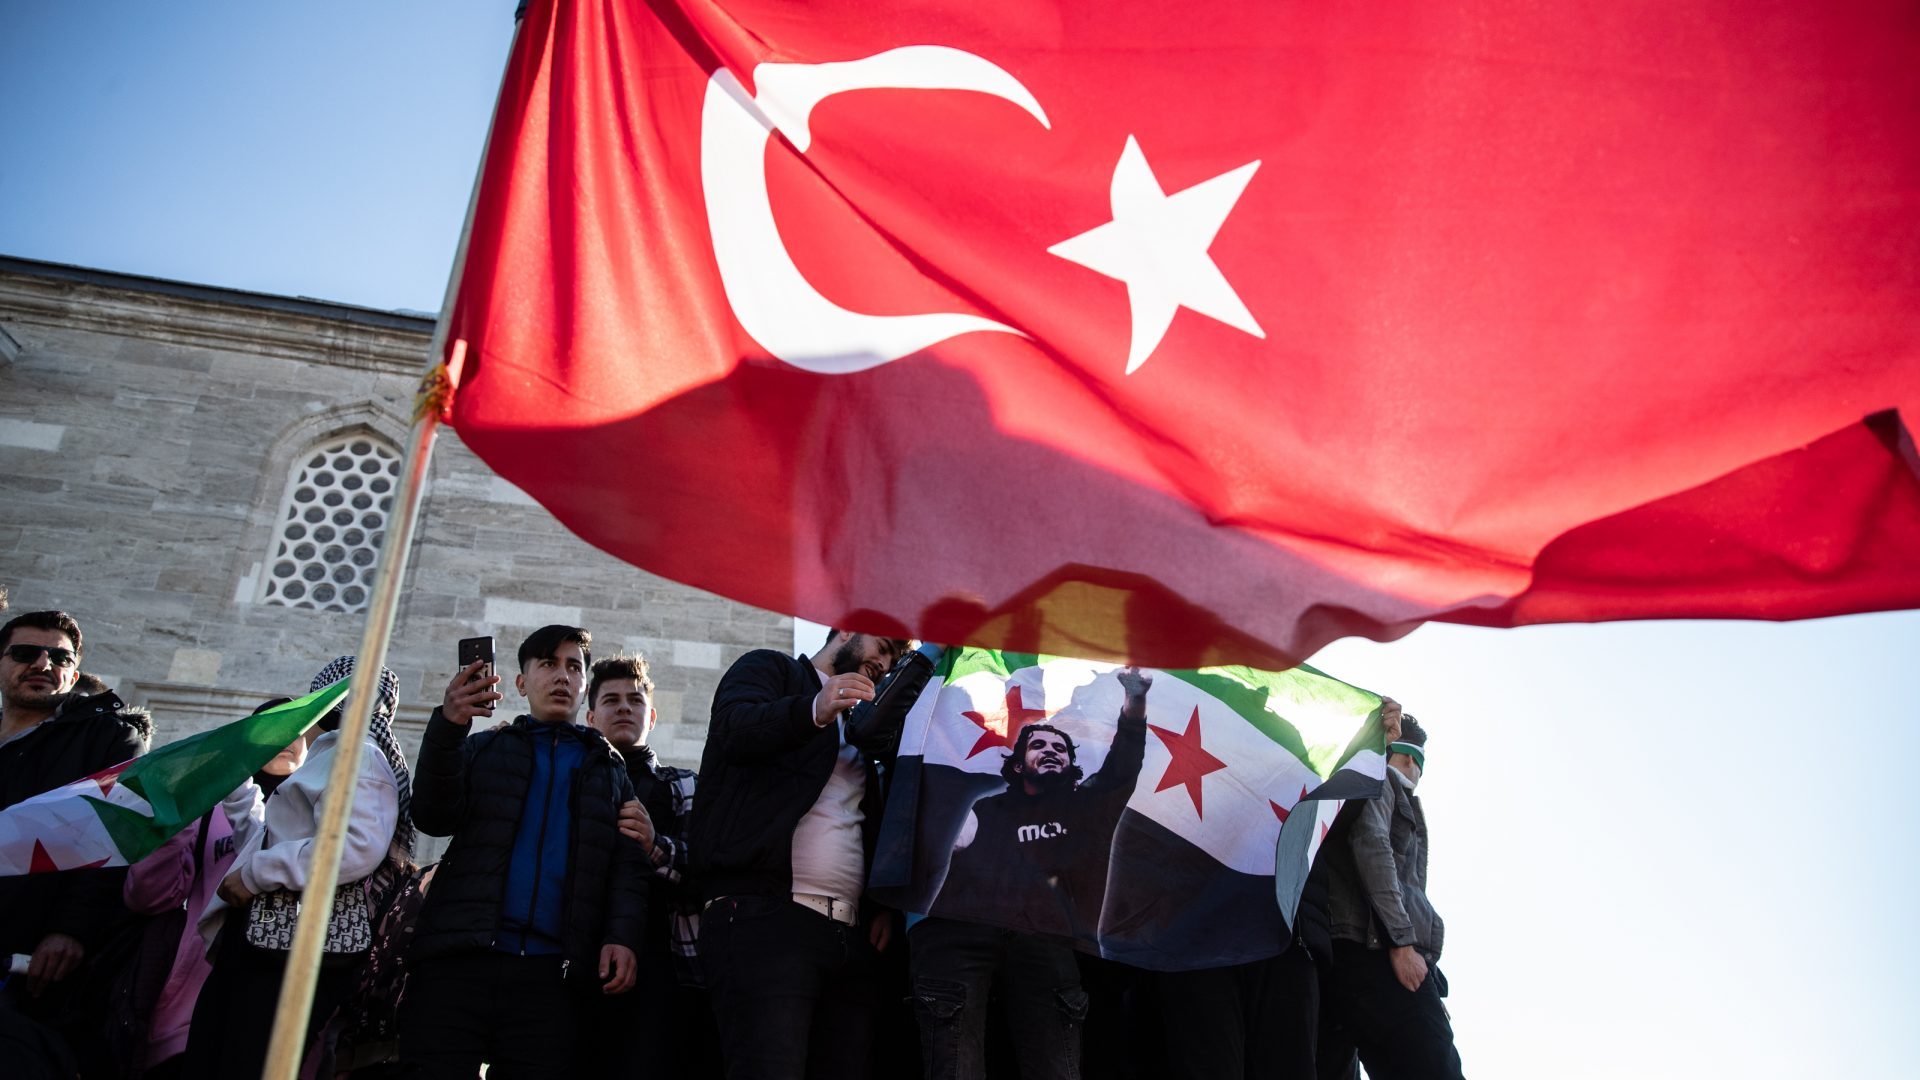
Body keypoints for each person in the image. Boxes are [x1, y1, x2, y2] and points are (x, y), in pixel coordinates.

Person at [402, 624, 647, 1080]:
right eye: (548, 664)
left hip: (552, 977)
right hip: (460, 962)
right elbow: (432, 817)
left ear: (583, 685)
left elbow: (624, 867)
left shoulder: (609, 769)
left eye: (573, 667)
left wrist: (622, 936)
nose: (561, 676)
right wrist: (448, 727)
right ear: (520, 682)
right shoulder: (483, 747)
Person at [691, 627, 907, 1080]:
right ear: (846, 628)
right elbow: (734, 729)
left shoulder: (866, 728)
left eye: (893, 660)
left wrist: (880, 906)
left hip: (850, 939)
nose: (885, 666)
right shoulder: (771, 669)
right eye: (883, 648)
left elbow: (869, 818)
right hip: (764, 921)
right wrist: (815, 709)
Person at [182, 657, 413, 1080]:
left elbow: (353, 847)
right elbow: (279, 836)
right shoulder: (325, 757)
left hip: (291, 946)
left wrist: (254, 876)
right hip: (261, 939)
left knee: (247, 1064)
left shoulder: (357, 754)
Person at [119, 700, 303, 1080]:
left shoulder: (323, 818)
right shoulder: (210, 808)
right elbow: (148, 896)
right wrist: (176, 816)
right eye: (271, 728)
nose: (288, 738)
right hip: (184, 1019)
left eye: (300, 730)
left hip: (277, 1016)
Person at [0, 610, 151, 1068]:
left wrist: (69, 929)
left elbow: (113, 840)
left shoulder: (109, 738)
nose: (43, 664)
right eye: (26, 653)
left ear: (75, 669)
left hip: (29, 956)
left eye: (59, 657)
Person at [580, 652, 719, 1079]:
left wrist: (655, 846)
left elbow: (712, 870)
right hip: (575, 961)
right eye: (611, 699)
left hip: (666, 970)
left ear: (652, 716)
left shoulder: (685, 785)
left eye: (635, 700)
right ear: (589, 717)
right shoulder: (570, 782)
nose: (624, 707)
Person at [1317, 715, 1463, 1080]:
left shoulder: (1357, 783)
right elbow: (1372, 845)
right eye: (1420, 761)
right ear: (1411, 758)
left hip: (1343, 957)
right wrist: (1402, 944)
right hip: (1376, 951)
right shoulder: (1380, 781)